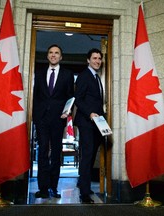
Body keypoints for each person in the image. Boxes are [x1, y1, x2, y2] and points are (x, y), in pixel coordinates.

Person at [33, 44, 74, 199]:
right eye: (51, 52)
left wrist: (67, 112)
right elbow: (35, 96)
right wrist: (35, 117)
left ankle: (53, 188)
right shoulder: (39, 73)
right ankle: (43, 188)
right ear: (47, 56)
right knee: (42, 152)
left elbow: (71, 96)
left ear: (61, 57)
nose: (53, 55)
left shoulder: (68, 74)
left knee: (56, 153)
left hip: (58, 119)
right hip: (42, 119)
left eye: (57, 53)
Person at [74, 48, 105, 204]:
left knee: (91, 154)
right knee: (87, 155)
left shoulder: (96, 78)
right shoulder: (84, 76)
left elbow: (96, 101)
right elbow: (78, 99)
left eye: (99, 58)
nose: (97, 61)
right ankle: (84, 194)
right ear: (88, 60)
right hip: (86, 121)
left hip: (97, 124)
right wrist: (90, 114)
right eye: (94, 58)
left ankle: (83, 183)